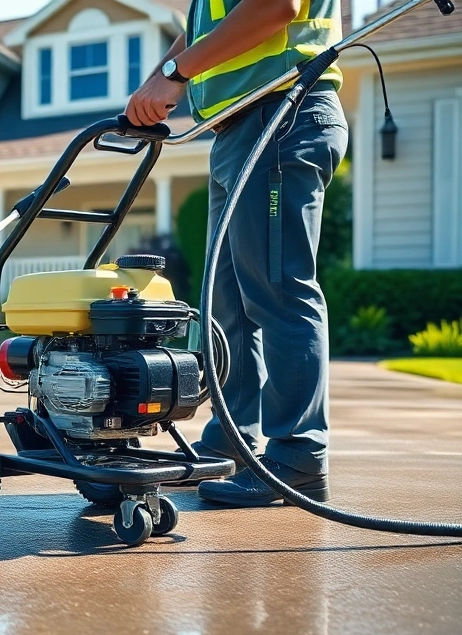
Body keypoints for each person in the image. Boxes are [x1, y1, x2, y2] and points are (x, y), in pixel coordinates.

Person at [126, 0, 347, 506]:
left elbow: (275, 7)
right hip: (236, 129)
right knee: (226, 307)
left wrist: (175, 74)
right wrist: (158, 82)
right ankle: (233, 440)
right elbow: (207, 26)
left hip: (282, 112)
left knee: (279, 289)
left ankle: (298, 458)